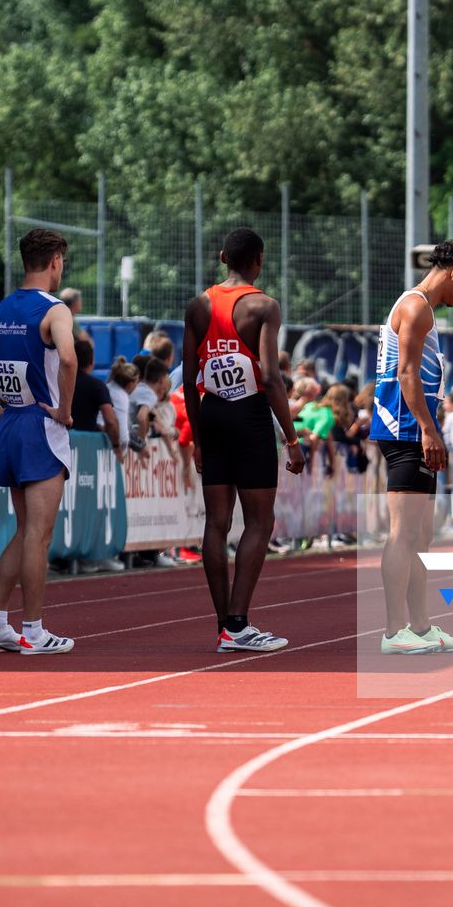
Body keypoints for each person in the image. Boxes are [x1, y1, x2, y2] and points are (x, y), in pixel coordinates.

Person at [181, 227, 307, 652]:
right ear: (259, 260)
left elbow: (187, 376)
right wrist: (291, 438)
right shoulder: (264, 306)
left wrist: (197, 439)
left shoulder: (199, 305)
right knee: (260, 521)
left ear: (222, 257)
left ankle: (225, 625)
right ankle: (237, 624)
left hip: (212, 413)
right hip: (250, 415)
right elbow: (271, 377)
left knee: (215, 523)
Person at [0, 228, 78, 656]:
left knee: (25, 529)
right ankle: (34, 630)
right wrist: (65, 410)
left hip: (11, 424)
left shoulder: (5, 307)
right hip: (42, 426)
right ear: (55, 262)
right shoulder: (55, 310)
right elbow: (67, 357)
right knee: (38, 536)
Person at [370, 239, 453, 654]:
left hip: (412, 427)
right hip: (402, 429)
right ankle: (392, 630)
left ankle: (420, 626)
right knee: (403, 533)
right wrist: (428, 430)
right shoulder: (416, 307)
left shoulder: (423, 310)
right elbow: (405, 374)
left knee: (422, 535)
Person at [67, 334, 121, 453]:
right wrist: (116, 447)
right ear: (92, 361)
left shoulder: (58, 383)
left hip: (60, 445)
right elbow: (110, 421)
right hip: (87, 448)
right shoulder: (98, 386)